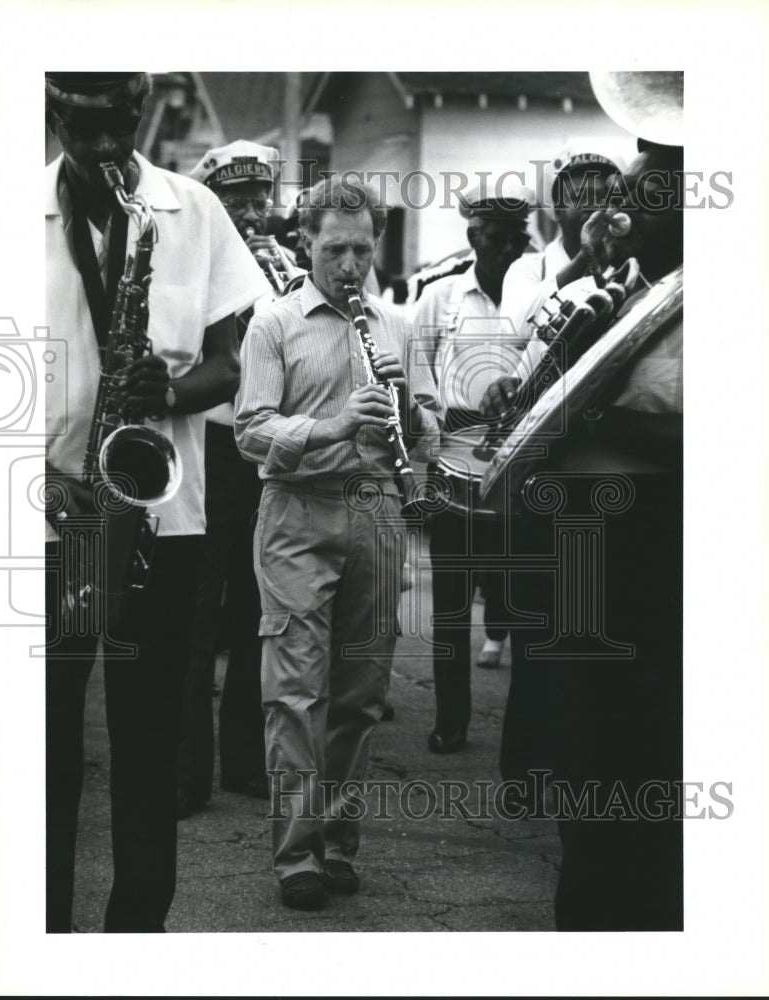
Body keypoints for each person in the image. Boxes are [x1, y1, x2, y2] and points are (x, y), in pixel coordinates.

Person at [44, 72, 261, 932]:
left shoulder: (193, 210)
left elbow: (229, 366)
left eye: (121, 127)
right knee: (44, 747)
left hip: (159, 524)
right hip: (49, 521)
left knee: (146, 747)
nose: (106, 149)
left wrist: (169, 392)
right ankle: (39, 939)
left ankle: (135, 936)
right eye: (87, 128)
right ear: (55, 114)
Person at [482, 137, 684, 930]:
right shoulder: (615, 287)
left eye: (639, 196)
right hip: (574, 538)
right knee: (582, 746)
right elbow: (531, 345)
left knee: (641, 744)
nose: (617, 211)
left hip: (647, 539)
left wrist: (588, 414)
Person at [235, 176, 441, 911]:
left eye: (361, 249)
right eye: (334, 249)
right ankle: (296, 857)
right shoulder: (275, 323)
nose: (349, 265)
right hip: (297, 510)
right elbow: (249, 430)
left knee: (360, 694)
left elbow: (428, 435)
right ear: (306, 243)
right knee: (295, 692)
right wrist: (329, 426)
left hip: (378, 508)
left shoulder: (395, 324)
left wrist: (407, 404)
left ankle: (337, 840)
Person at [411, 177, 534, 753]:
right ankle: (451, 719)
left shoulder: (538, 291)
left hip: (518, 465)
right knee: (452, 604)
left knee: (517, 597)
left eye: (519, 239)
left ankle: (524, 737)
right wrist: (436, 435)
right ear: (474, 238)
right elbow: (416, 377)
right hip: (454, 467)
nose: (511, 251)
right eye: (499, 240)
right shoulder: (440, 296)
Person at [175, 141, 278, 818]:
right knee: (194, 613)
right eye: (235, 199)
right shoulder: (196, 262)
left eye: (257, 197)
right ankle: (187, 771)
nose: (248, 210)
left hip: (262, 452)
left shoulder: (288, 271)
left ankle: (245, 759)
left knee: (253, 612)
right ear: (215, 201)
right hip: (208, 445)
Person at [498, 144, 626, 361]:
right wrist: (584, 257)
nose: (594, 206)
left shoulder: (626, 265)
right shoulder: (528, 268)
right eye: (579, 197)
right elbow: (514, 331)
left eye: (602, 197)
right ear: (558, 211)